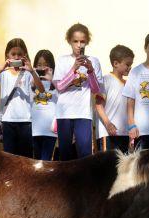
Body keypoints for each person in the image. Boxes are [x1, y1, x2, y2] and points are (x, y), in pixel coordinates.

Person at [0, 38, 44, 157]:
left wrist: (32, 71)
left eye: (19, 54)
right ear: (7, 55)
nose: (16, 57)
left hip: (26, 121)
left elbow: (41, 90)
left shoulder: (28, 73)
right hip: (7, 121)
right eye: (13, 54)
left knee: (26, 158)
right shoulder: (3, 73)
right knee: (9, 158)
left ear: (24, 55)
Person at [53, 23, 103, 160]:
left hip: (83, 113)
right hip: (64, 113)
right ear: (69, 41)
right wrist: (74, 68)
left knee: (85, 155)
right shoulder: (62, 60)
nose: (79, 45)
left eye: (82, 41)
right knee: (65, 154)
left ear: (87, 42)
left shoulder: (94, 61)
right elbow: (60, 86)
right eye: (75, 41)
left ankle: (84, 181)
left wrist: (91, 70)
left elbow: (96, 90)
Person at [95, 45, 135, 153]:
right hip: (107, 133)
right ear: (115, 63)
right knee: (106, 166)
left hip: (124, 134)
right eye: (127, 64)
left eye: (131, 65)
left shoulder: (128, 85)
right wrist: (108, 123)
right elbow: (98, 104)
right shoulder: (105, 80)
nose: (129, 68)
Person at [31, 49, 57, 161]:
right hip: (34, 128)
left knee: (46, 161)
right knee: (35, 160)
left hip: (50, 129)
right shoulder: (31, 81)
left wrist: (52, 81)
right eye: (39, 65)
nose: (42, 68)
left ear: (52, 67)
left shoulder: (57, 83)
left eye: (46, 65)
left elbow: (62, 100)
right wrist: (32, 77)